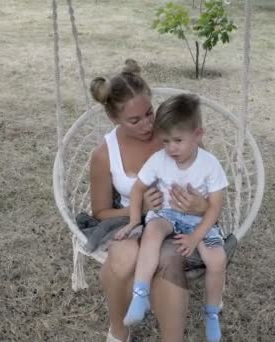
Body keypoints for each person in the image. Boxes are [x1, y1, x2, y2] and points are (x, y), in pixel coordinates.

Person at [89, 59, 209, 342]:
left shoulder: (173, 134)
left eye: (149, 113)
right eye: (135, 120)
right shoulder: (105, 155)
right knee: (125, 254)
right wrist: (138, 209)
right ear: (114, 119)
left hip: (179, 220)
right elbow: (100, 212)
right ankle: (119, 332)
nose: (147, 125)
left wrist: (199, 205)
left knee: (169, 257)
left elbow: (209, 181)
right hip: (129, 220)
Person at [115, 94, 227, 342]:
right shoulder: (159, 160)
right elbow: (138, 189)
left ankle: (211, 313)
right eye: (165, 141)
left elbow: (215, 207)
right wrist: (135, 220)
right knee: (152, 232)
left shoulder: (210, 165)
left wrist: (195, 236)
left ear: (198, 134)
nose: (171, 148)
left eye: (178, 140)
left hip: (199, 221)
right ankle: (140, 294)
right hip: (167, 214)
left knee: (217, 260)